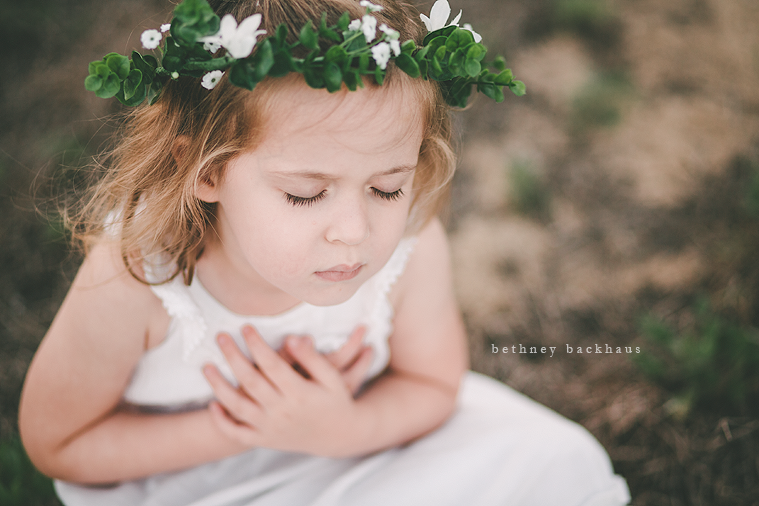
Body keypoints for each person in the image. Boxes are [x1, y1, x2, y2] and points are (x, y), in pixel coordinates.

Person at [18, 0, 631, 504]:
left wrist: (342, 429)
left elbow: (433, 384)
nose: (354, 231)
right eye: (306, 195)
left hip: (361, 447)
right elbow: (59, 443)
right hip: (199, 480)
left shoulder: (410, 246)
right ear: (203, 172)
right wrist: (245, 428)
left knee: (553, 461)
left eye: (387, 187)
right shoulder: (139, 277)